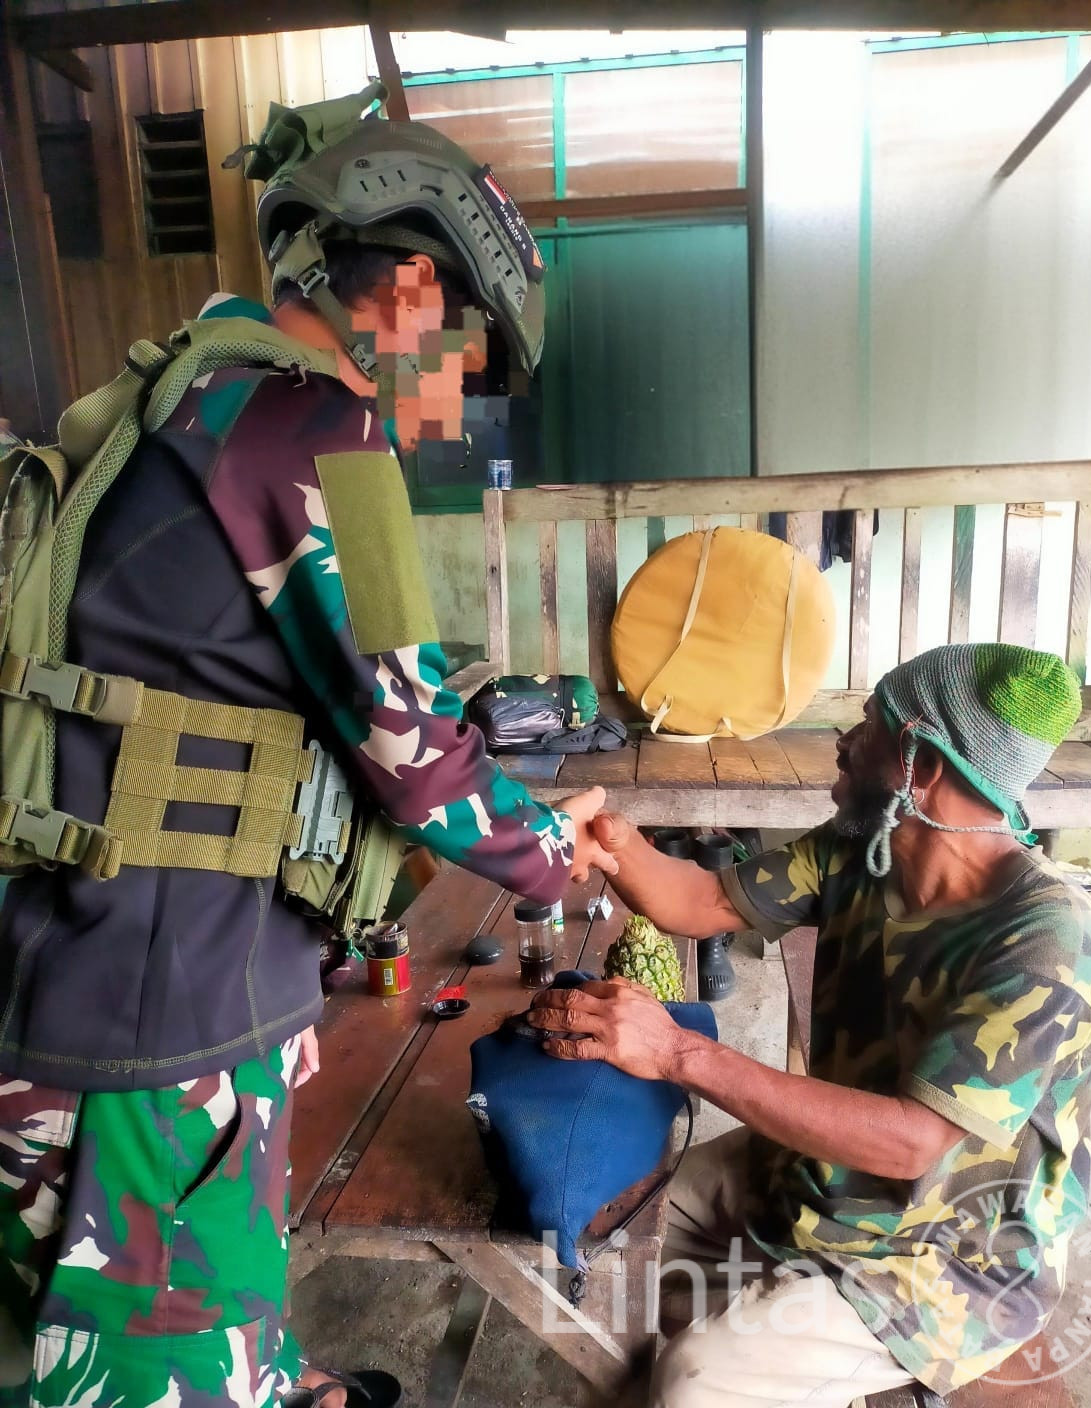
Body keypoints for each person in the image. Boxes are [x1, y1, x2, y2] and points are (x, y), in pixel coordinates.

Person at [0, 88, 614, 1408]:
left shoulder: (178, 393)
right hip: (159, 1019)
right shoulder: (324, 430)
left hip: (71, 968)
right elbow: (418, 756)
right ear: (412, 291)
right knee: (160, 1369)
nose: (460, 408)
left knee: (119, 1330)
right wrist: (567, 854)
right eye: (472, 365)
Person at [529, 643, 1091, 1406]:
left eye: (868, 724)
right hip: (823, 1173)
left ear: (921, 764)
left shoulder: (1046, 941)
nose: (843, 740)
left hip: (949, 1252)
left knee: (693, 1380)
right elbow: (700, 902)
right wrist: (614, 846)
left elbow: (910, 1142)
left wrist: (677, 1051)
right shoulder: (863, 849)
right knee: (600, 1222)